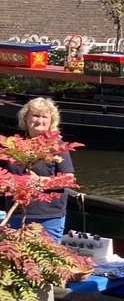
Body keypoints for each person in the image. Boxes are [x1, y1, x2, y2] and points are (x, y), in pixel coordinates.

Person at [1, 97, 74, 243]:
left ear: (51, 121)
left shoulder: (57, 145)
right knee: (15, 259)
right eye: (35, 115)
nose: (40, 120)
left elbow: (69, 180)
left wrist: (39, 181)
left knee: (45, 261)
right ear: (25, 118)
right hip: (15, 213)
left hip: (48, 216)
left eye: (44, 117)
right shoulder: (13, 146)